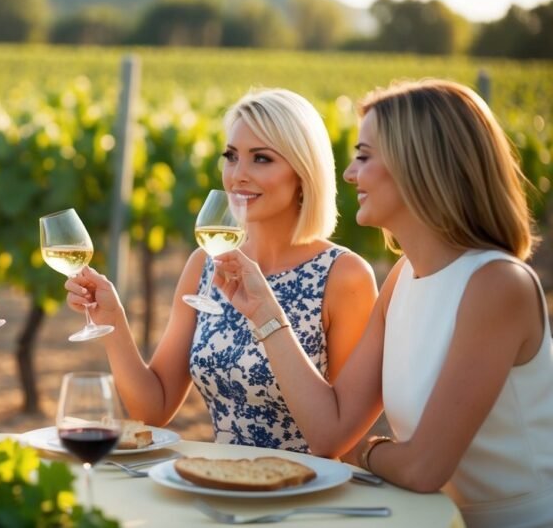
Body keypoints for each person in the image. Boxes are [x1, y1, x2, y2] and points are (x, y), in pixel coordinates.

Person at [213, 79, 553, 527]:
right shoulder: (402, 277)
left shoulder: (496, 285)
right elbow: (330, 434)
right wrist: (264, 313)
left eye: (365, 157)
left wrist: (369, 448)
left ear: (420, 165)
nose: (350, 174)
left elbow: (422, 468)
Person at [66, 88, 378, 452]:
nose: (238, 175)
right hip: (221, 486)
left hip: (305, 490)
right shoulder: (205, 263)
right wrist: (114, 322)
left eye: (261, 159)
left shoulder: (344, 275)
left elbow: (341, 437)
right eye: (231, 156)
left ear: (303, 172)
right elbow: (153, 408)